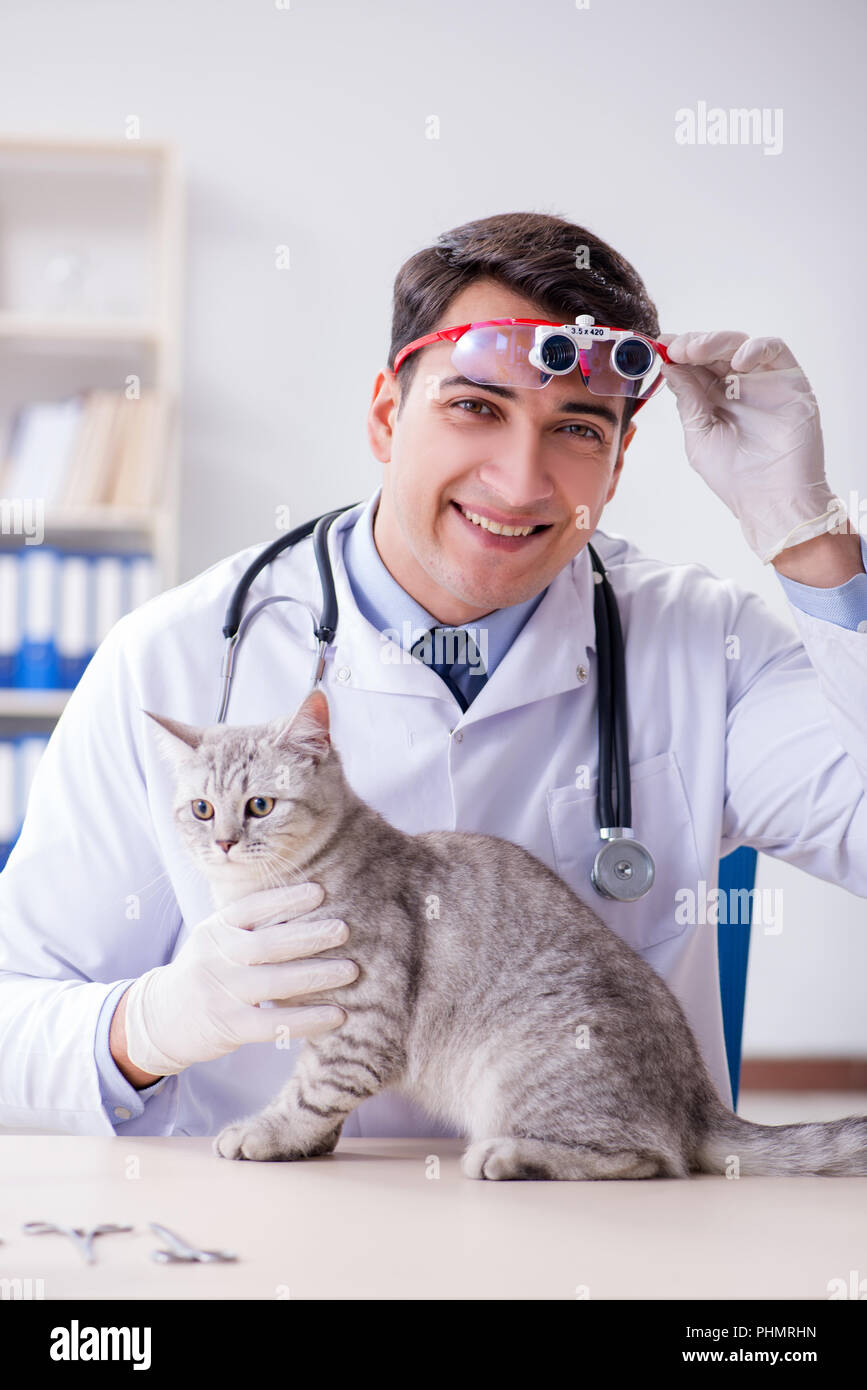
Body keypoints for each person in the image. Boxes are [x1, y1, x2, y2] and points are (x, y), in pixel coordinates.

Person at [1, 210, 865, 1139]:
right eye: (475, 407)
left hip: (607, 1233)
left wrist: (809, 537)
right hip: (270, 1246)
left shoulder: (706, 644)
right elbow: (14, 1033)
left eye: (576, 427)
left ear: (615, 465)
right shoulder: (171, 656)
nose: (521, 480)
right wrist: (154, 1024)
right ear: (386, 415)